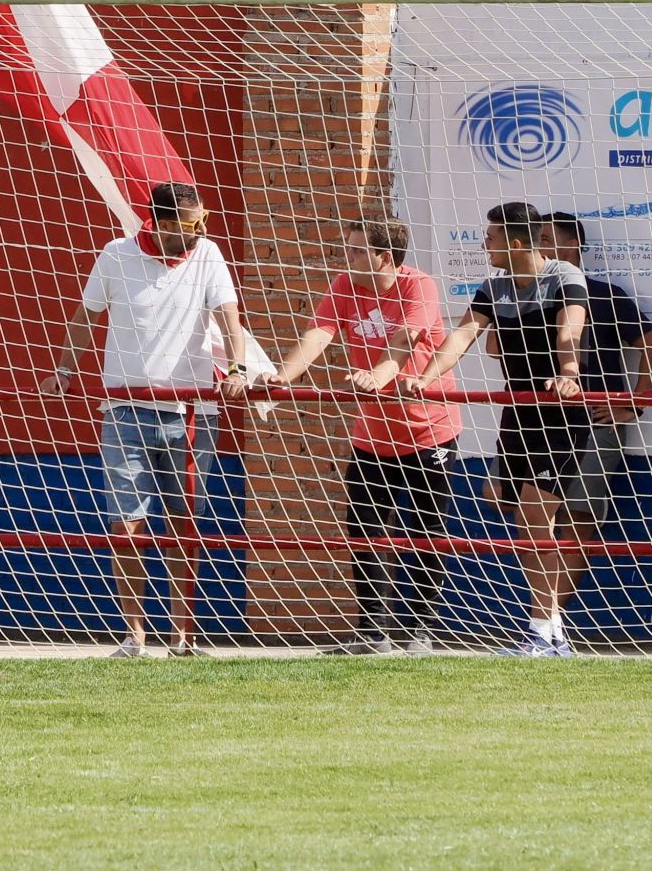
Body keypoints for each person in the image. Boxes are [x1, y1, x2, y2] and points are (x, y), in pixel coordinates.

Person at [41, 181, 251, 658]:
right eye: (191, 223)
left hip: (190, 412)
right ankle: (134, 635)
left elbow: (228, 318)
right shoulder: (116, 255)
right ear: (160, 222)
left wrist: (237, 368)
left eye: (204, 221)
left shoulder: (208, 254)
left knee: (184, 525)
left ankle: (183, 635)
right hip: (124, 410)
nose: (201, 230)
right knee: (127, 525)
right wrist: (64, 368)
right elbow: (85, 316)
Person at [256, 218, 462, 655]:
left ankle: (420, 631)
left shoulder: (417, 285)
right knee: (364, 531)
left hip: (429, 431)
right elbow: (319, 334)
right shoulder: (344, 285)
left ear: (383, 257)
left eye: (354, 250)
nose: (344, 259)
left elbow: (406, 339)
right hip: (372, 435)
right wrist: (282, 376)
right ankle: (372, 634)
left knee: (425, 531)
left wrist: (380, 375)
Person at [402, 201, 587, 657]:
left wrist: (569, 372)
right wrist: (425, 378)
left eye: (491, 237)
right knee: (524, 521)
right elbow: (462, 335)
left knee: (538, 517)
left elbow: (571, 328)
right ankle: (550, 629)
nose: (484, 245)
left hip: (559, 410)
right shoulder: (494, 286)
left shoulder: (563, 276)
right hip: (516, 410)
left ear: (517, 242)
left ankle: (543, 632)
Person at [538, 212, 652, 633]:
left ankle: (546, 624)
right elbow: (489, 346)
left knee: (577, 518)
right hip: (537, 422)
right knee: (524, 510)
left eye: (545, 238)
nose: (538, 246)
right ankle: (543, 620)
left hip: (597, 421)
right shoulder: (526, 295)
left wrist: (635, 403)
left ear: (572, 246)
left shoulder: (605, 295)